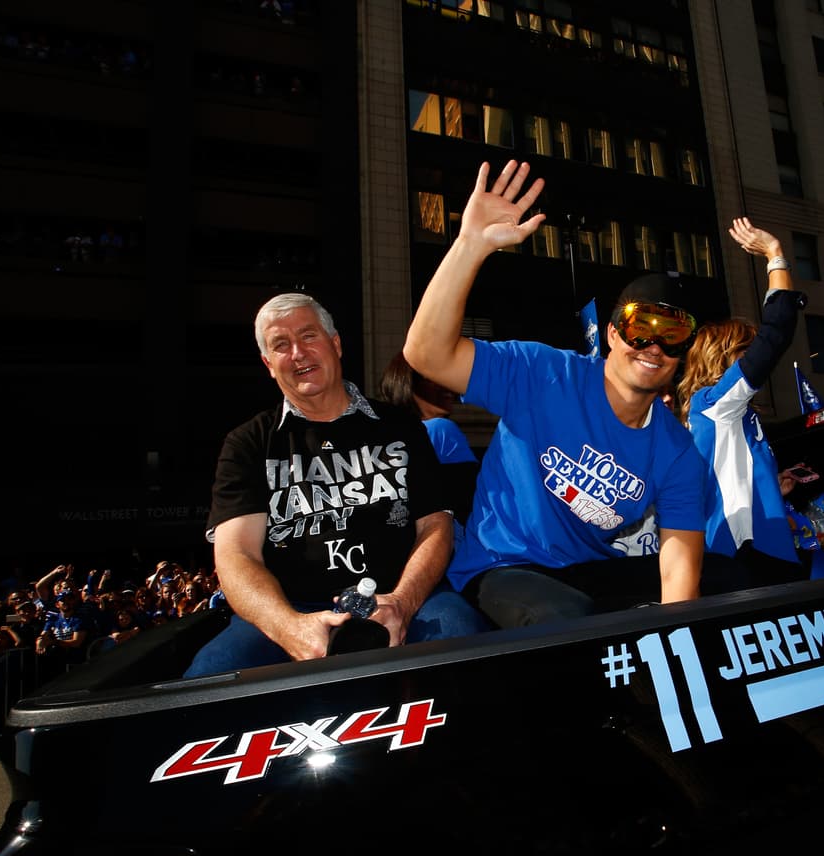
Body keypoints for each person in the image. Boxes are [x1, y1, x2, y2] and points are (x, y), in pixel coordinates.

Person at [404, 160, 724, 629]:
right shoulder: (543, 373)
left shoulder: (677, 454)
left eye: (672, 334)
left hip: (586, 569)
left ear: (683, 352)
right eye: (640, 329)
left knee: (730, 579)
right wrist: (470, 245)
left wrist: (675, 647)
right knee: (568, 620)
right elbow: (426, 354)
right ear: (614, 334)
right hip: (503, 564)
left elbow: (679, 569)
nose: (654, 346)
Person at [183, 292, 488, 678]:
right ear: (268, 365)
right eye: (281, 345)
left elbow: (435, 525)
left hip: (407, 596)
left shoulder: (401, 427)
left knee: (462, 642)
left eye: (309, 336)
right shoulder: (247, 444)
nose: (298, 353)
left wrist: (403, 602)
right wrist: (288, 627)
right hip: (289, 607)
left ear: (336, 344)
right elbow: (235, 556)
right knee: (211, 675)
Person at [675, 217, 807, 583]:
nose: (755, 359)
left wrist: (765, 485)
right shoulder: (716, 404)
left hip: (749, 555)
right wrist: (774, 255)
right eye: (745, 351)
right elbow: (776, 333)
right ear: (724, 356)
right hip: (746, 560)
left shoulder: (720, 412)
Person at [375, 351, 479, 531]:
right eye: (436, 379)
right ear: (409, 383)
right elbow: (473, 503)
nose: (449, 387)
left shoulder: (385, 439)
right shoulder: (440, 430)